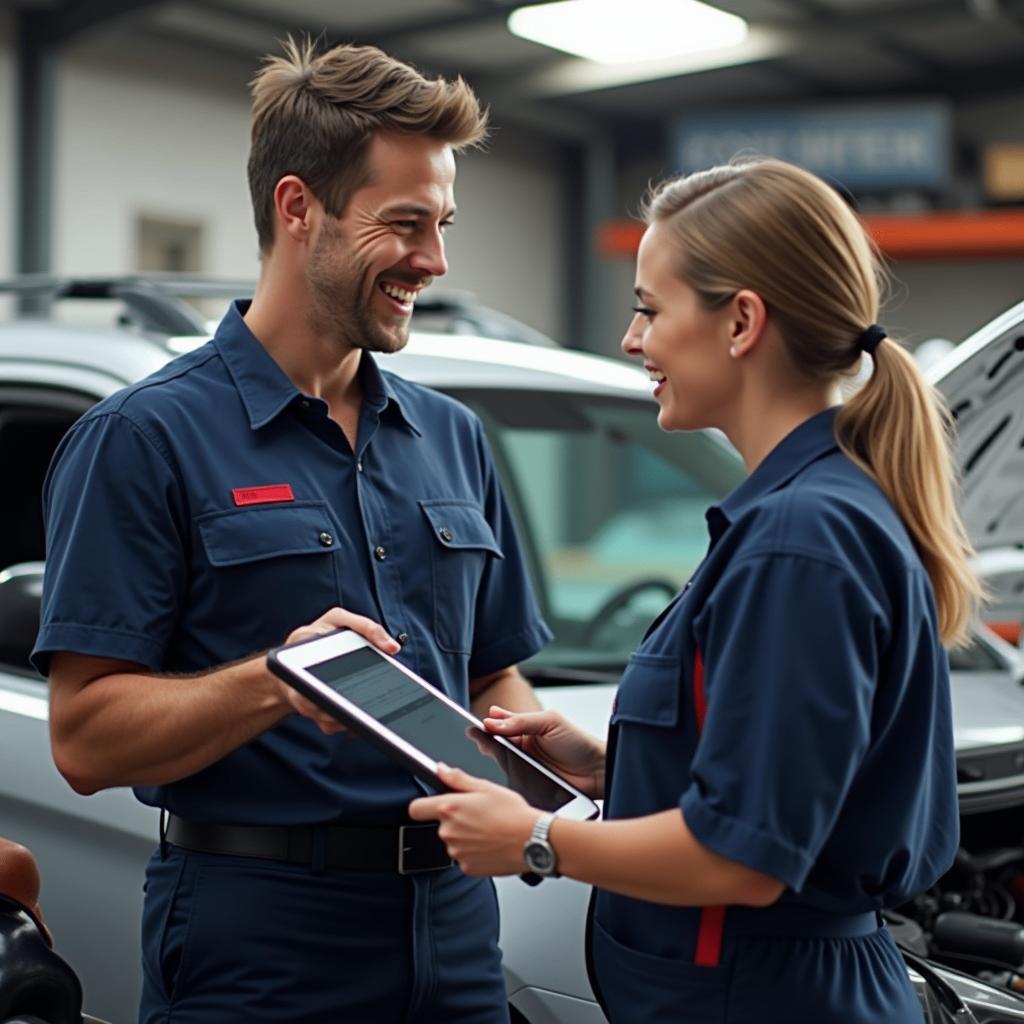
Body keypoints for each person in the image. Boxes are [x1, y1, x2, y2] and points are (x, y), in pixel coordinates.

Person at [32, 37, 550, 1024]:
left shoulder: (455, 438)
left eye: (442, 225)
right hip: (259, 937)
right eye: (404, 224)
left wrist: (529, 764)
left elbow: (491, 675)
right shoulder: (142, 439)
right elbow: (86, 740)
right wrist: (277, 680)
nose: (433, 262)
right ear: (297, 207)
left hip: (458, 929)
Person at [409, 157, 982, 1023]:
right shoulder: (809, 512)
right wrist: (620, 769)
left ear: (742, 321)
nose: (632, 339)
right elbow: (788, 781)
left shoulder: (800, 538)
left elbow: (746, 857)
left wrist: (534, 840)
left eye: (648, 308)